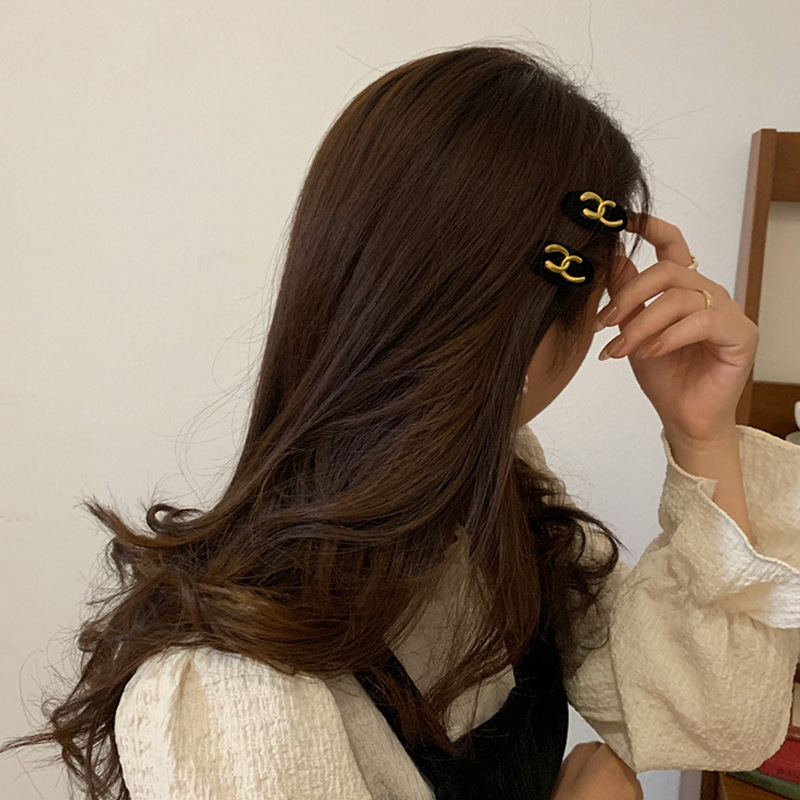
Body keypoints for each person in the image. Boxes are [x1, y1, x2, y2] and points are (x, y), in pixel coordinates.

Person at [3, 43, 800, 800]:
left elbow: (718, 721)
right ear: (534, 323)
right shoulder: (229, 692)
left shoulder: (502, 503)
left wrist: (702, 434)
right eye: (598, 296)